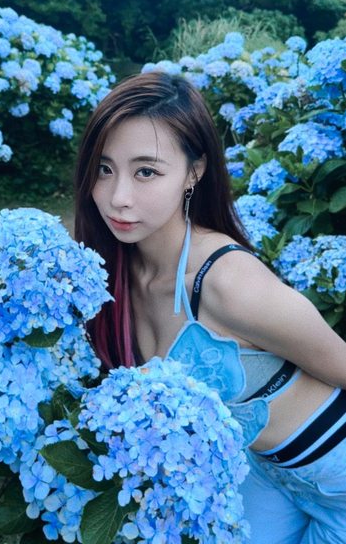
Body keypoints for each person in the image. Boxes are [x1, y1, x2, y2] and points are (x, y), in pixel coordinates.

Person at [74, 71, 346, 543]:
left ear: (193, 172)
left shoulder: (228, 282)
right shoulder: (113, 273)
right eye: (104, 168)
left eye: (146, 171)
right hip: (261, 473)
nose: (118, 198)